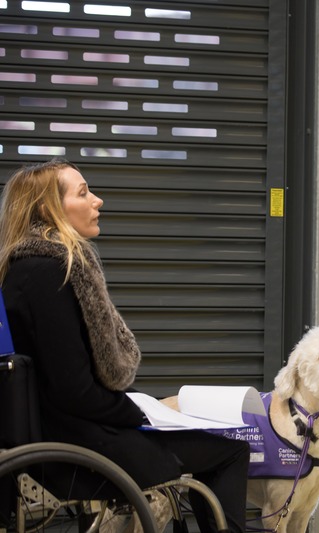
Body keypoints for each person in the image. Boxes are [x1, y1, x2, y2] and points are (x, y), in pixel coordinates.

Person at [0, 158, 249, 533]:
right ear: (47, 209)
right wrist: (136, 413)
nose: (97, 201)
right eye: (83, 193)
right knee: (231, 449)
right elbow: (74, 390)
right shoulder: (51, 270)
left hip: (61, 433)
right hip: (78, 445)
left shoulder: (22, 267)